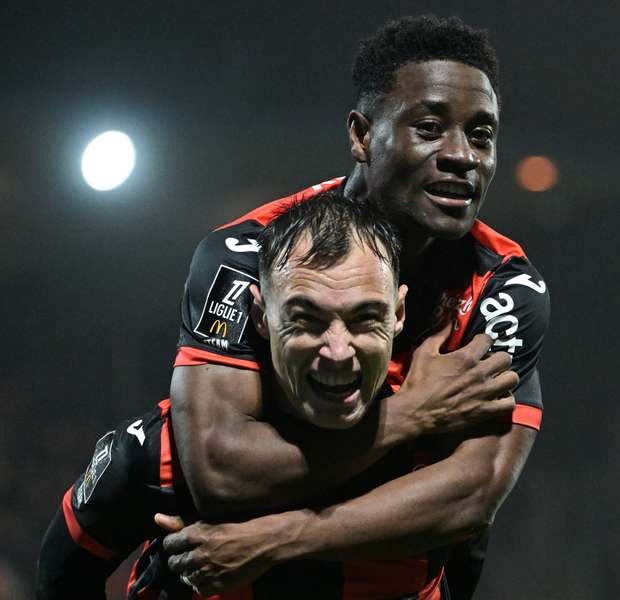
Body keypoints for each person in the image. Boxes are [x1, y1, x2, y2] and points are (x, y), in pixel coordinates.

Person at [156, 14, 551, 598]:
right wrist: (412, 414)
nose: (462, 155)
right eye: (430, 127)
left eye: (482, 135)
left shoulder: (505, 291)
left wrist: (281, 536)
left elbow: (470, 494)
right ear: (362, 135)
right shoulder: (245, 256)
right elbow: (220, 473)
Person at [36, 193, 517, 599]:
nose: (337, 351)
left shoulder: (438, 473)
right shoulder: (159, 456)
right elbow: (61, 575)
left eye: (364, 318)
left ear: (398, 313)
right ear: (262, 316)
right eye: (306, 319)